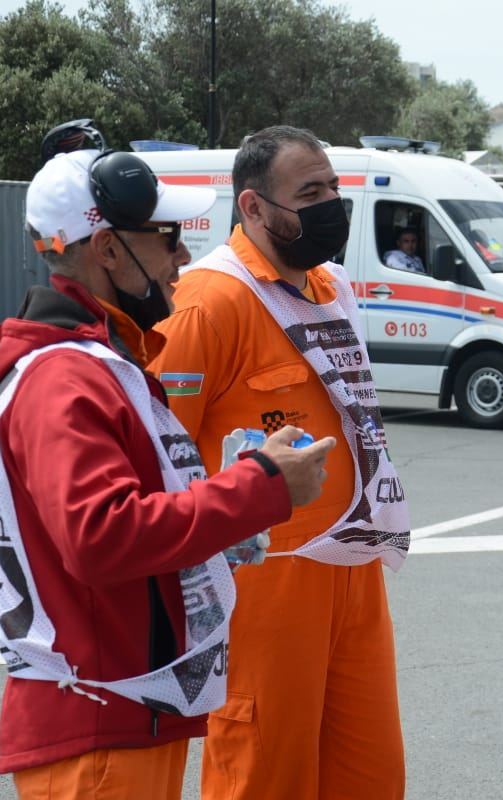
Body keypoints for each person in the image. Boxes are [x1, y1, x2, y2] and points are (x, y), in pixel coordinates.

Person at [0, 143, 335, 799]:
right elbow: (100, 536)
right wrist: (262, 487)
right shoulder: (63, 376)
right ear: (106, 250)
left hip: (125, 715)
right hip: (97, 727)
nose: (182, 258)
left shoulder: (100, 363)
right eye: (166, 238)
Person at [150, 125, 411, 800]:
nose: (331, 204)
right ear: (255, 208)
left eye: (334, 187)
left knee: (369, 771)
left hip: (351, 569)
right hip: (262, 586)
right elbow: (158, 453)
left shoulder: (330, 289)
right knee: (263, 772)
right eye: (310, 192)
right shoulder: (209, 302)